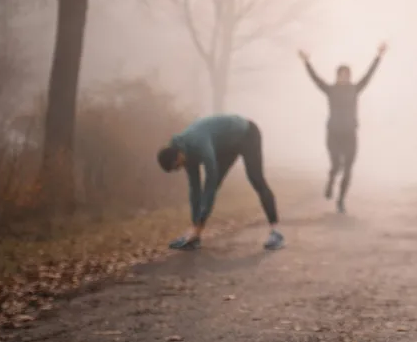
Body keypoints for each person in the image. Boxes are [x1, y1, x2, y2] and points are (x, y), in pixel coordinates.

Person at [157, 114, 283, 251]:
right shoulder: (184, 155)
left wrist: (200, 223)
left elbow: (210, 182)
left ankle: (276, 232)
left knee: (256, 178)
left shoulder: (199, 142)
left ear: (178, 155)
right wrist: (194, 225)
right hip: (227, 146)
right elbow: (195, 190)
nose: (180, 168)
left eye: (177, 166)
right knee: (212, 184)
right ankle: (196, 237)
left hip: (247, 133)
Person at [298, 43, 386, 213]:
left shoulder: (354, 89)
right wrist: (307, 62)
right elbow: (316, 79)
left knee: (348, 169)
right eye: (342, 74)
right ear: (337, 76)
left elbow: (368, 75)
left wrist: (378, 56)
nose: (345, 77)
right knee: (336, 165)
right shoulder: (331, 90)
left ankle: (341, 200)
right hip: (333, 134)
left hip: (350, 134)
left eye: (347, 75)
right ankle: (331, 181)